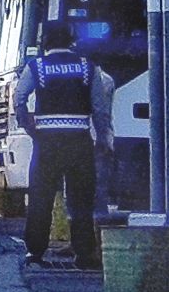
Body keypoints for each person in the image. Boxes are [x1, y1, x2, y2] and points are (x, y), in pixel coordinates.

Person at [15, 31, 114, 269]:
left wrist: (29, 127)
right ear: (72, 42)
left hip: (47, 142)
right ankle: (84, 254)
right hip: (79, 141)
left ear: (45, 43)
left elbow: (19, 98)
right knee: (81, 200)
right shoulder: (87, 68)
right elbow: (100, 110)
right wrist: (104, 139)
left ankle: (35, 252)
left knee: (41, 197)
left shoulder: (36, 66)